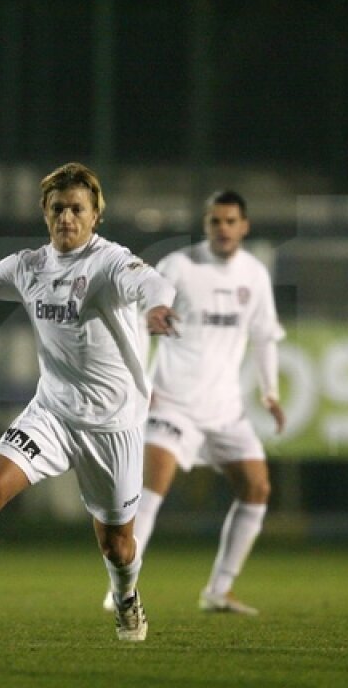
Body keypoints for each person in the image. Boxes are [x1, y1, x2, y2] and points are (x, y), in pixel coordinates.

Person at [0, 162, 178, 643]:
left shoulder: (109, 263)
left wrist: (159, 307)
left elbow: (151, 284)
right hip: (52, 415)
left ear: (95, 216)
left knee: (118, 546)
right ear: (45, 213)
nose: (68, 217)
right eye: (59, 208)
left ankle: (127, 599)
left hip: (113, 426)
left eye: (77, 209)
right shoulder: (27, 266)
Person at [104, 189, 285, 616]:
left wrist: (271, 391)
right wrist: (141, 383)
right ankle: (121, 587)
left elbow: (264, 336)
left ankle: (219, 590)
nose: (222, 229)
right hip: (173, 401)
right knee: (150, 488)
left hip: (226, 409)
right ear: (205, 226)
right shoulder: (179, 267)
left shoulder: (254, 276)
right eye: (215, 221)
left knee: (257, 487)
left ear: (244, 226)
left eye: (230, 221)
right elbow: (139, 320)